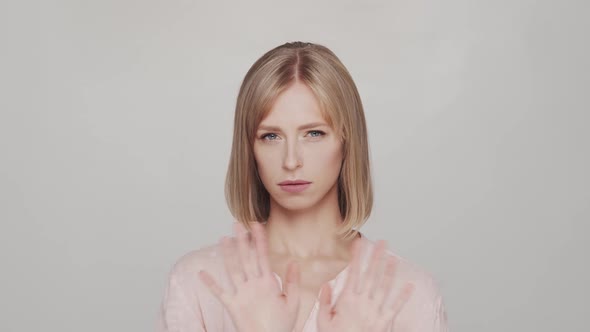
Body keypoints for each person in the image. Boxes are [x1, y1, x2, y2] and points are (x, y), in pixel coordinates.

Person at [157, 41, 448, 332]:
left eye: (314, 133)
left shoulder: (407, 293)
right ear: (250, 148)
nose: (291, 160)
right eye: (271, 136)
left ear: (347, 141)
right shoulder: (197, 282)